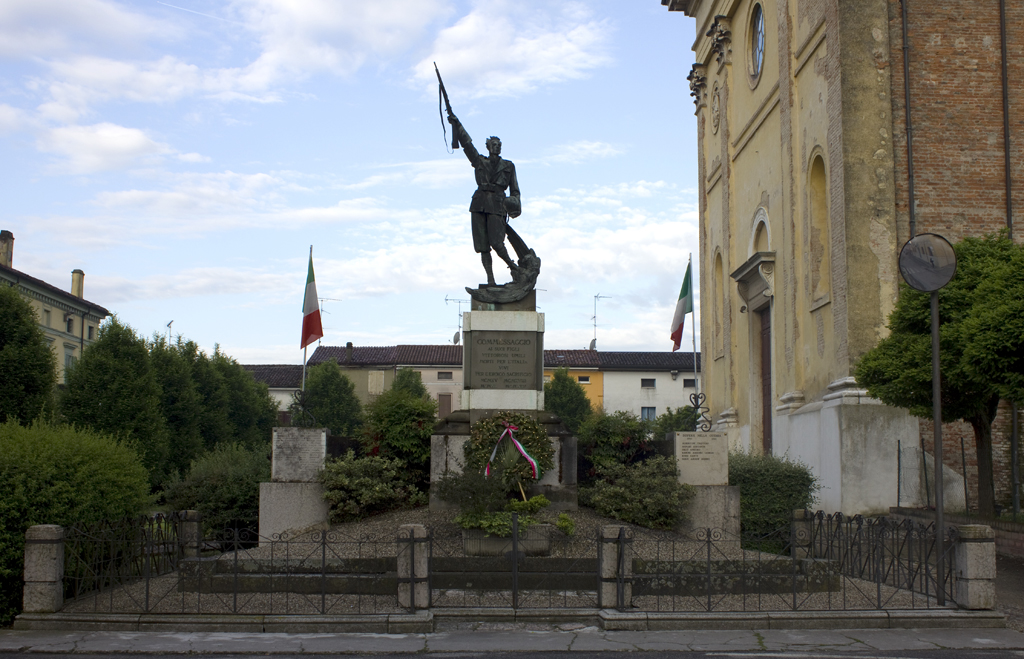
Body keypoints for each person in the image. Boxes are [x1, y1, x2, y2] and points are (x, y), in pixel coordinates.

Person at [448, 112, 522, 286]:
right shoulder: (480, 161)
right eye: (493, 145)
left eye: (498, 145)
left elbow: (515, 191)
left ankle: (513, 267)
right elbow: (467, 145)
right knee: (483, 246)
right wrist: (457, 125)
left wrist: (512, 205)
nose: (496, 147)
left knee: (497, 243)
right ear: (488, 147)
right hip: (479, 204)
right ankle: (490, 280)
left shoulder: (508, 166)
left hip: (497, 204)